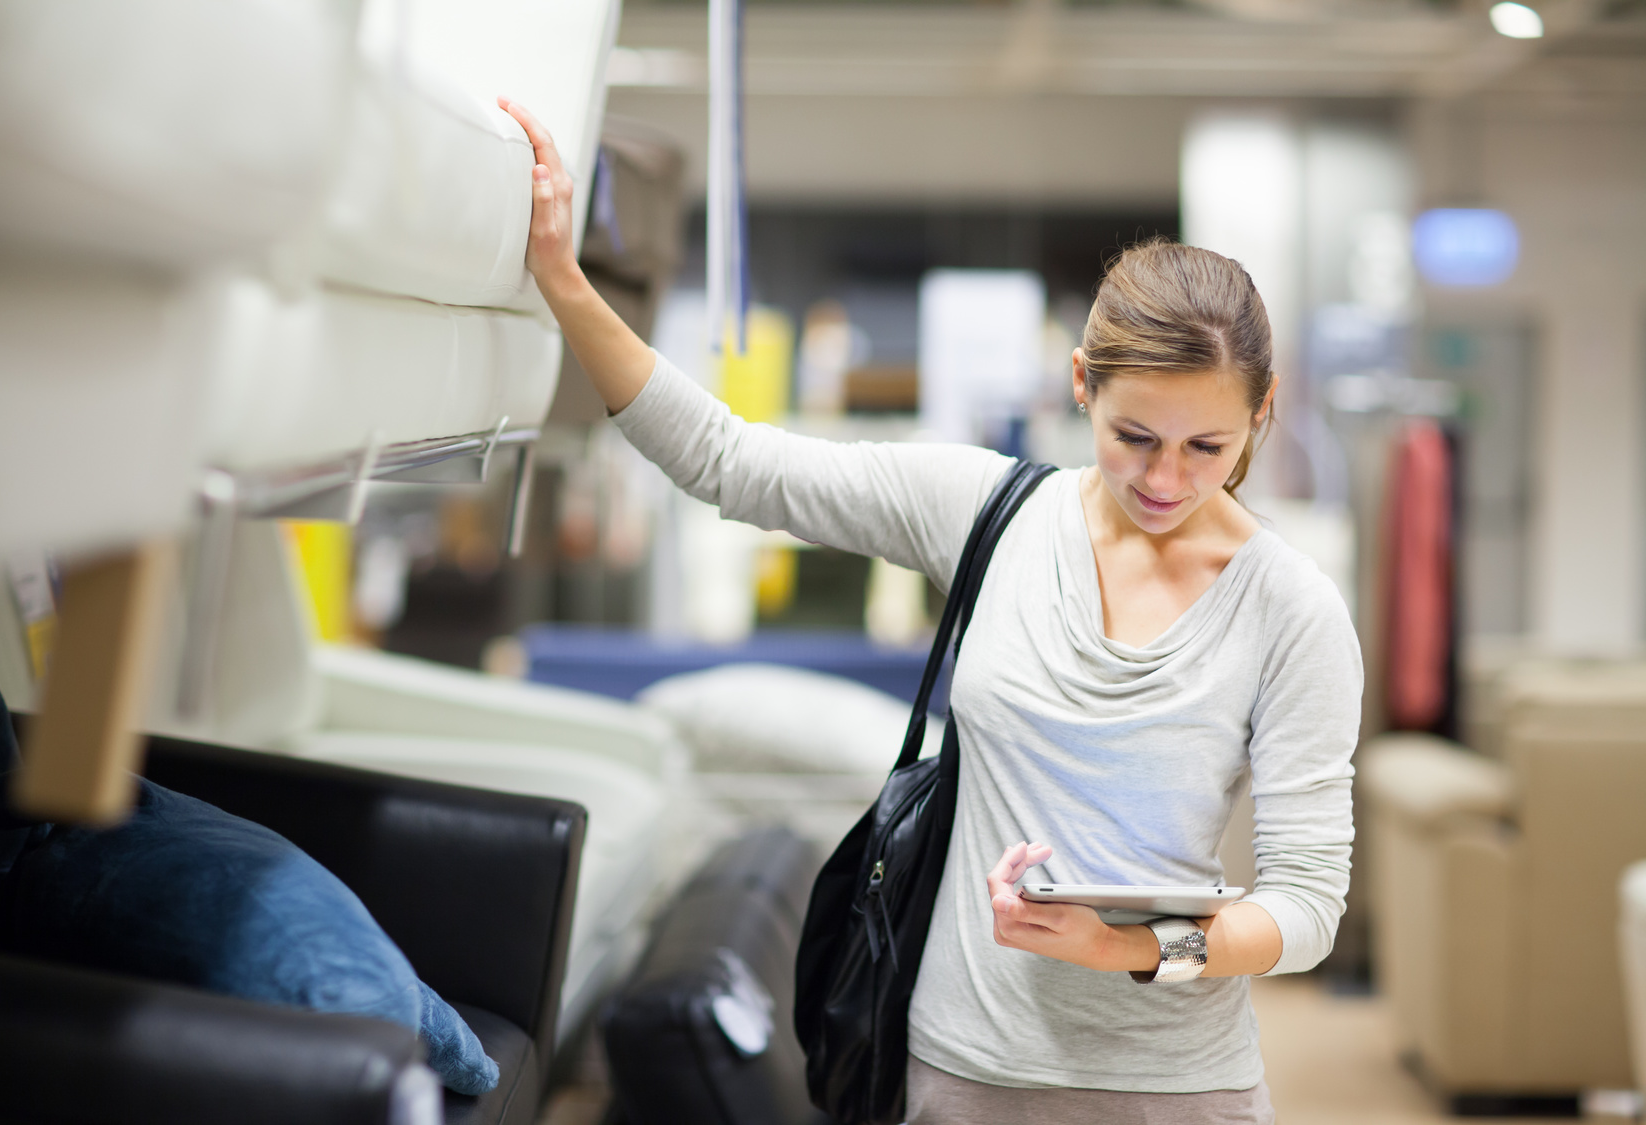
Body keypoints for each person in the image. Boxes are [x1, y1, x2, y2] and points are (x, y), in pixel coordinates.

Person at [499, 99, 1360, 1125]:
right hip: (958, 1070)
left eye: (1206, 448)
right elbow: (730, 462)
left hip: (1173, 1090)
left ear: (1258, 414)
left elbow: (1304, 908)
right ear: (1080, 386)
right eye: (1134, 436)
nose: (1165, 479)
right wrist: (561, 277)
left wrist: (1127, 949)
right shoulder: (987, 512)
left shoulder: (1290, 609)